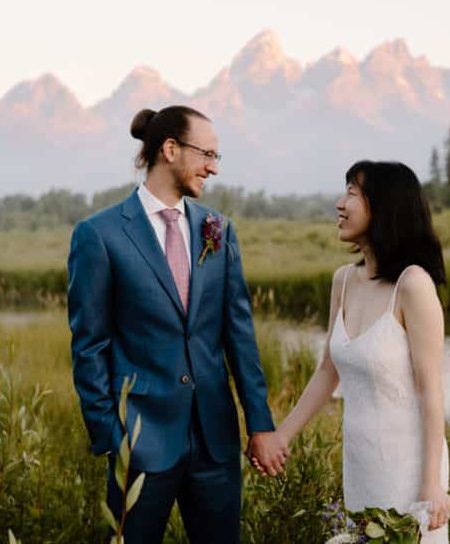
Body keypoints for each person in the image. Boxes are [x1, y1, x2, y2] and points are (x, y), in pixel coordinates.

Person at [67, 105, 287, 544]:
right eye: (207, 153)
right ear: (170, 149)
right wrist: (112, 435)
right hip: (139, 446)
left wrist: (259, 424)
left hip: (215, 443)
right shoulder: (100, 234)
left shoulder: (218, 230)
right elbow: (89, 346)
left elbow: (239, 336)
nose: (213, 168)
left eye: (217, 157)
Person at [263, 160, 450, 541]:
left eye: (352, 193)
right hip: (361, 465)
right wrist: (281, 436)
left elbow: (431, 390)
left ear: (384, 207)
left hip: (410, 467)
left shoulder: (413, 285)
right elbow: (327, 371)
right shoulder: (344, 280)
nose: (339, 203)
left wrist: (431, 484)